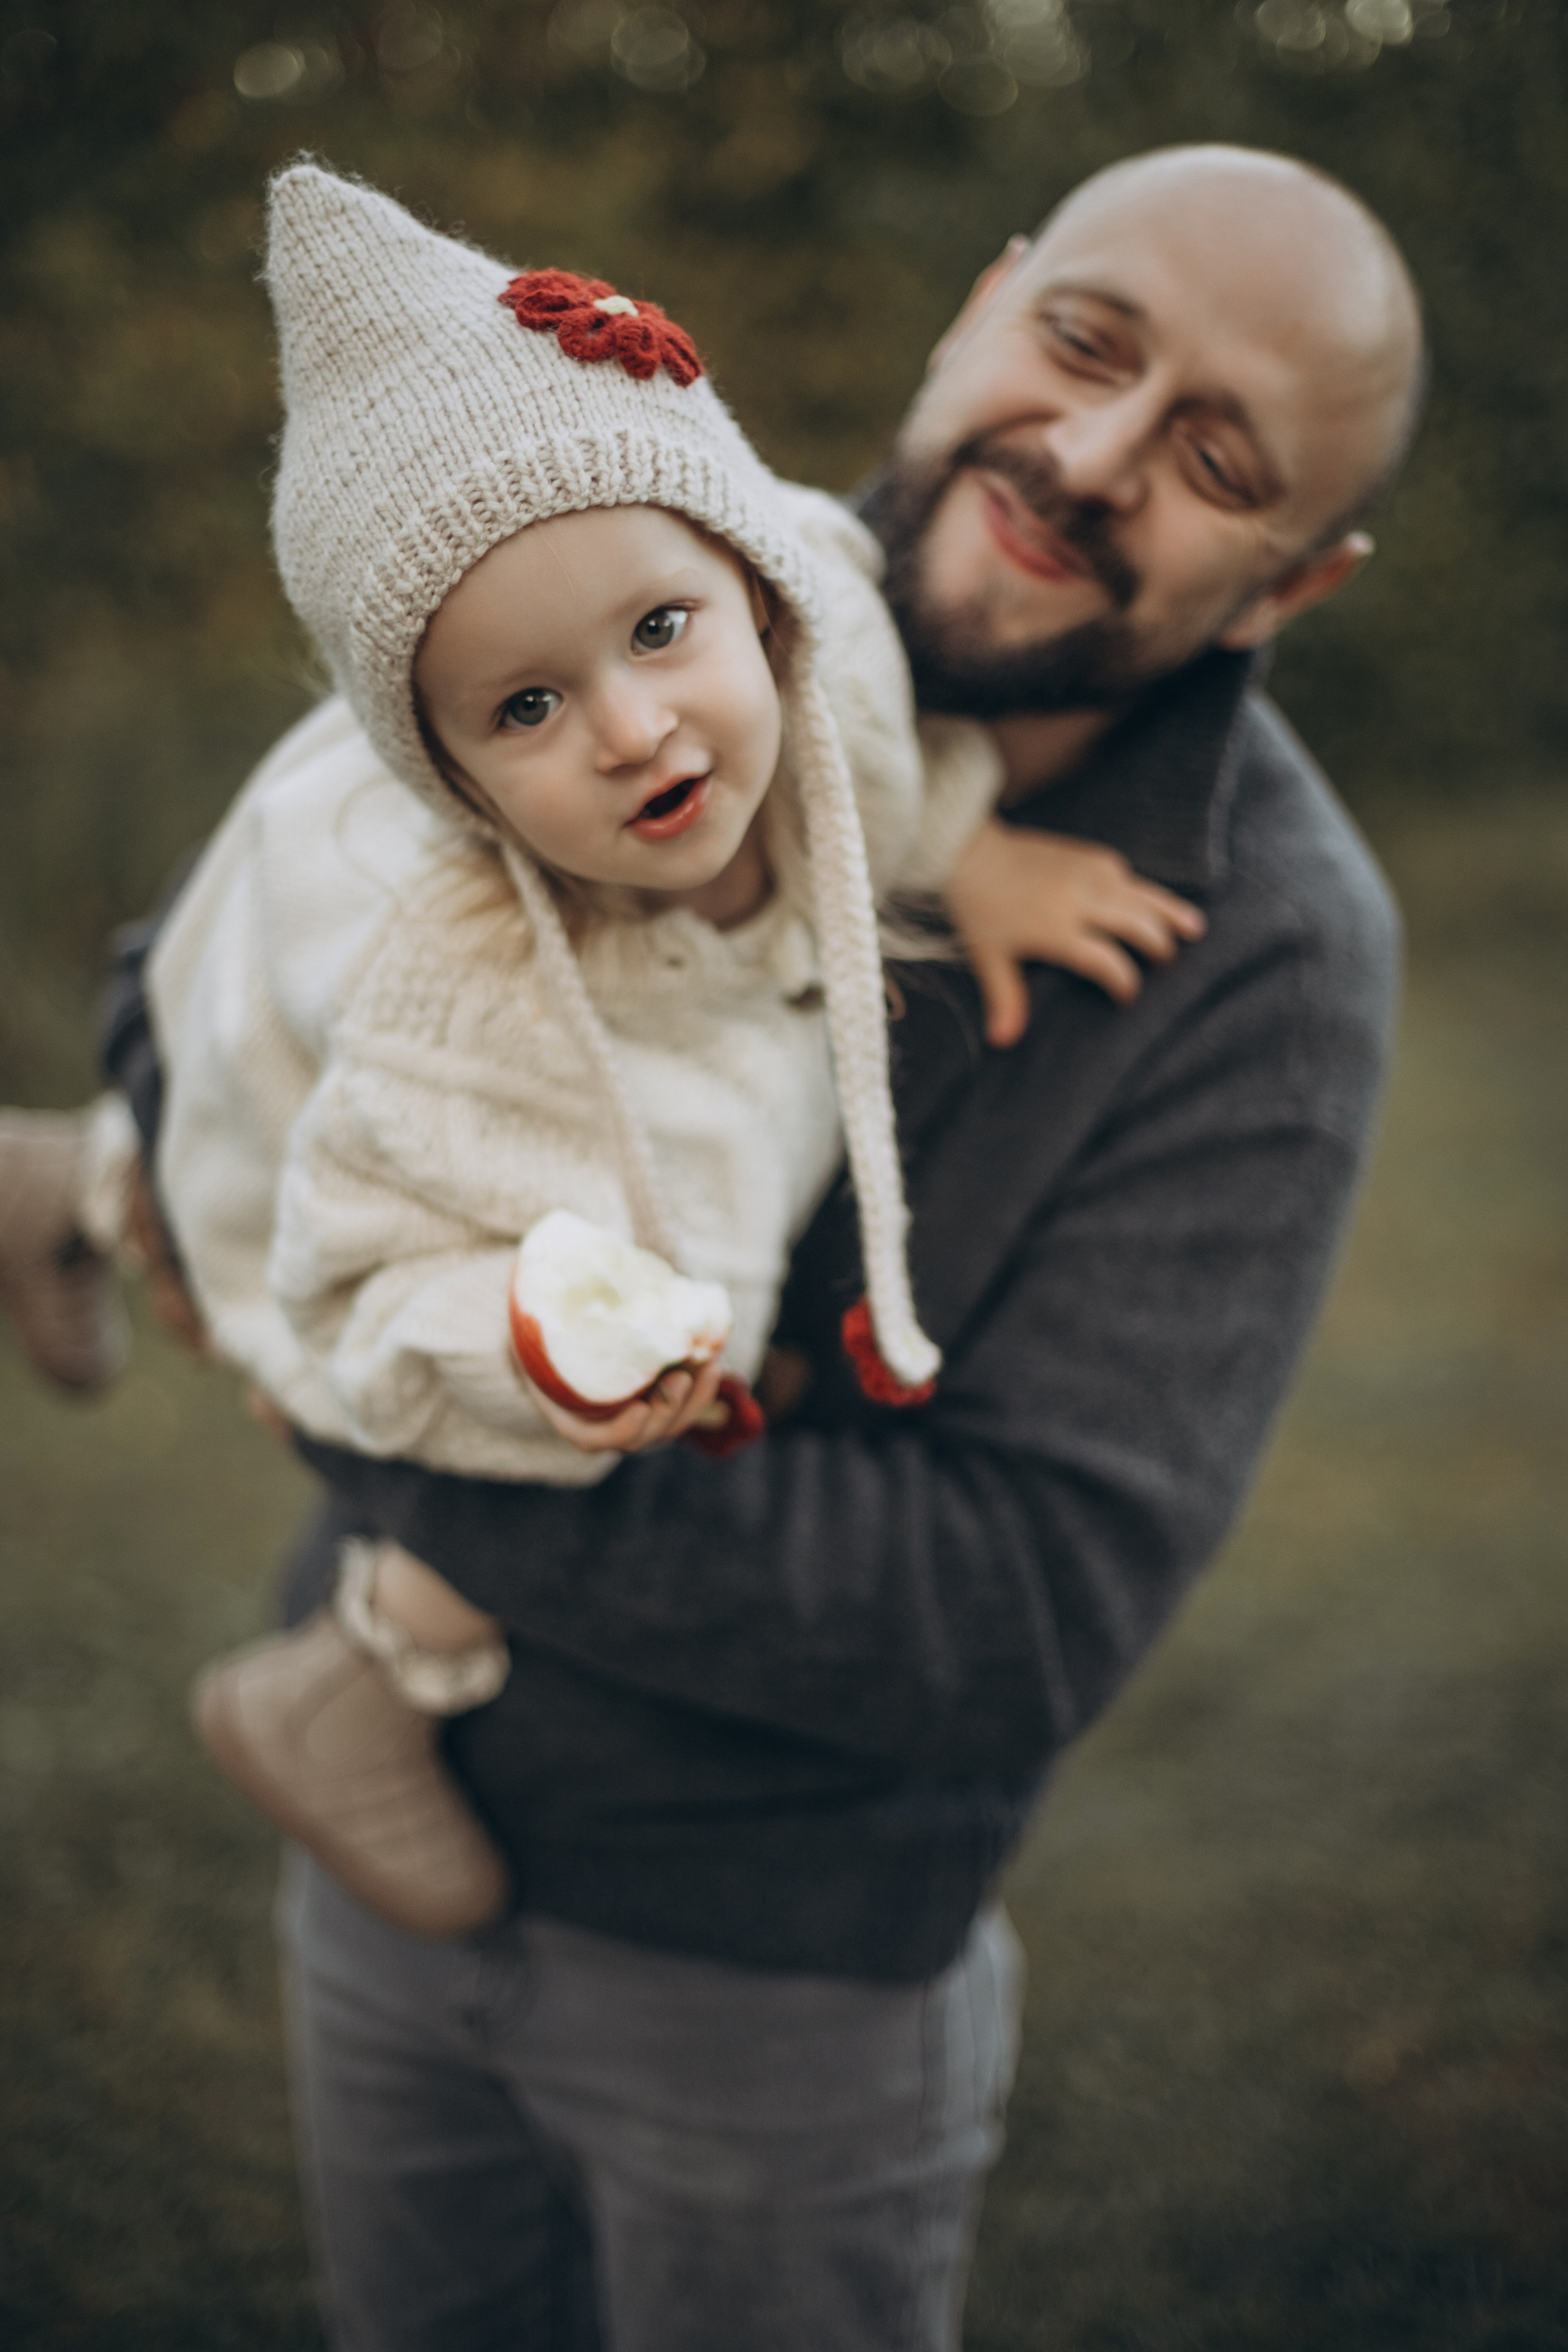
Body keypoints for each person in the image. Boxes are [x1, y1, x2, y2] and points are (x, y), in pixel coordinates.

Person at [33, 143, 1420, 2349]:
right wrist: (251, 1215)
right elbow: (206, 963)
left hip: (767, 1988)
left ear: (1291, 584)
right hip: (379, 1912)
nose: (1085, 454)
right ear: (982, 306)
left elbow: (1009, 1623)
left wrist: (367, 1389)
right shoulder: (597, 530)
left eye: (1213, 458)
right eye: (1083, 342)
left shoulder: (1267, 948)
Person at [134, 162, 1196, 1947]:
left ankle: (64, 1184)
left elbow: (864, 746)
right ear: (452, 782)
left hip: (721, 1090)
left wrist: (972, 846)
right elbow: (363, 1296)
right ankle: (359, 1678)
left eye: (661, 630)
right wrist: (522, 1351)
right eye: (526, 709)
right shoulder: (460, 1002)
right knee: (279, 1171)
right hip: (537, 1193)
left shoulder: (840, 646)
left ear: (752, 584)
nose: (635, 731)